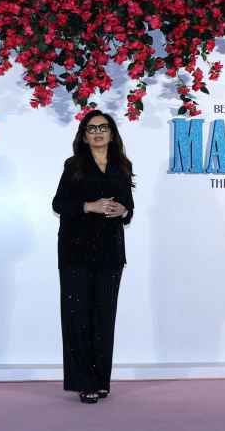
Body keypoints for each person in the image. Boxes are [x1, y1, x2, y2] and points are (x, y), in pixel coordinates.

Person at [52, 109, 135, 404]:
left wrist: (122, 211)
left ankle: (101, 380)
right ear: (84, 136)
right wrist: (90, 206)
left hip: (111, 252)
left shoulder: (122, 166)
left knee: (103, 317)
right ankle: (83, 382)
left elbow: (129, 207)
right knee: (78, 317)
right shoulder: (73, 165)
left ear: (112, 133)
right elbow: (60, 203)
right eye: (91, 128)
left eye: (103, 127)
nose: (98, 132)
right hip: (76, 250)